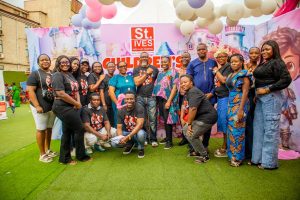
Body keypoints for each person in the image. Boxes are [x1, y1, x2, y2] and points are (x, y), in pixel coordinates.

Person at [251, 40, 292, 169]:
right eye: (263, 50)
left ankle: (269, 163)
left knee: (270, 131)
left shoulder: (278, 62)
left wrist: (268, 89)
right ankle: (257, 159)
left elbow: (286, 79)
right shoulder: (264, 63)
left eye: (267, 49)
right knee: (258, 129)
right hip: (261, 98)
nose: (264, 52)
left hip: (272, 98)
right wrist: (257, 94)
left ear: (274, 49)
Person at [52, 55, 92, 165]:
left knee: (67, 131)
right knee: (79, 128)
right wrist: (76, 103)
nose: (65, 64)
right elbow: (60, 93)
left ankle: (64, 158)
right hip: (62, 107)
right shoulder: (57, 75)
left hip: (72, 106)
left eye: (67, 62)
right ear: (58, 64)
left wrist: (77, 103)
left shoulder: (69, 75)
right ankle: (81, 156)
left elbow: (76, 91)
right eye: (62, 62)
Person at [180, 74, 217, 163]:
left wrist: (189, 124)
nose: (183, 84)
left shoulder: (193, 91)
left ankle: (204, 156)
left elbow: (193, 109)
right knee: (185, 130)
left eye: (185, 82)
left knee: (191, 134)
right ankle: (198, 151)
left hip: (207, 117)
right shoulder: (189, 92)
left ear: (191, 82)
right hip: (202, 117)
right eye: (181, 83)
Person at [187, 43, 217, 151]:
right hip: (196, 98)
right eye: (199, 49)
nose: (201, 51)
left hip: (209, 97)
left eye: (203, 49)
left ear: (206, 50)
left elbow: (216, 80)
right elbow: (189, 81)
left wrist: (212, 93)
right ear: (197, 51)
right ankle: (193, 146)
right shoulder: (192, 64)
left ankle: (205, 145)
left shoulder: (213, 62)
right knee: (194, 121)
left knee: (207, 122)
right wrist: (196, 95)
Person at [27, 54, 56, 163]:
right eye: (42, 60)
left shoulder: (54, 74)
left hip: (52, 107)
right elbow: (30, 90)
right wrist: (37, 106)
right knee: (41, 129)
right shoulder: (35, 74)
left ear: (50, 61)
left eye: (47, 59)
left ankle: (47, 150)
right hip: (40, 107)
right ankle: (42, 154)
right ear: (38, 62)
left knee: (49, 129)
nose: (45, 61)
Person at [225, 54, 251, 167]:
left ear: (241, 62)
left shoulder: (244, 74)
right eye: (232, 62)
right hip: (231, 104)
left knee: (238, 130)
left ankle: (238, 158)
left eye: (236, 61)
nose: (233, 63)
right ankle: (232, 155)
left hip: (240, 104)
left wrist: (241, 110)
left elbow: (245, 92)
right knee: (231, 129)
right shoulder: (231, 74)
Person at [152, 56, 180, 149]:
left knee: (168, 120)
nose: (163, 63)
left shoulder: (174, 72)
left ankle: (169, 141)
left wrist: (169, 101)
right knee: (164, 118)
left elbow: (175, 88)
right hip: (160, 99)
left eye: (165, 62)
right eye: (162, 62)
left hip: (167, 99)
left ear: (169, 62)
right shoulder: (160, 73)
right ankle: (167, 137)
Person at [133, 52, 159, 147]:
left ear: (149, 58)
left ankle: (153, 139)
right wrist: (147, 73)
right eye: (142, 57)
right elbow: (137, 83)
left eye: (146, 57)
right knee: (142, 119)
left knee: (152, 119)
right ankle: (144, 138)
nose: (144, 58)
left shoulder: (155, 69)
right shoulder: (136, 69)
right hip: (140, 97)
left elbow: (158, 83)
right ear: (139, 59)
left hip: (152, 97)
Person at [212, 49, 232, 158]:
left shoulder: (228, 67)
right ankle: (226, 146)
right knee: (223, 122)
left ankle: (225, 147)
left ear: (227, 57)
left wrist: (216, 71)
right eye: (219, 57)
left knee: (225, 123)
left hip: (226, 98)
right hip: (220, 98)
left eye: (223, 56)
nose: (221, 58)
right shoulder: (222, 68)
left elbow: (224, 81)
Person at [115, 91, 146, 158]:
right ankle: (129, 144)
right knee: (114, 143)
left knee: (141, 134)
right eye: (127, 99)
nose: (129, 101)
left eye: (131, 99)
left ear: (135, 99)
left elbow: (140, 125)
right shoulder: (121, 110)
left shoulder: (139, 107)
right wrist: (121, 138)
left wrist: (128, 137)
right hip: (126, 132)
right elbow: (119, 127)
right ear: (124, 99)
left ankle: (141, 148)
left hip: (138, 132)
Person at [244, 47, 260, 160]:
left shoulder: (262, 67)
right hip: (248, 95)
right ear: (248, 54)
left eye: (256, 53)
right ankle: (248, 153)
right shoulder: (245, 66)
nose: (253, 55)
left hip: (260, 95)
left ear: (259, 54)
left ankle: (257, 152)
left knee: (258, 124)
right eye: (251, 53)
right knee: (249, 124)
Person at [108, 61, 136, 127]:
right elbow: (111, 92)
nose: (123, 67)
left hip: (130, 103)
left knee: (130, 119)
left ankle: (130, 135)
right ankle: (119, 135)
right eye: (120, 66)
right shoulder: (115, 78)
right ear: (117, 68)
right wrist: (117, 103)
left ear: (126, 67)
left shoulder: (131, 78)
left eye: (124, 66)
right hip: (119, 104)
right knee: (119, 119)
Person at [178, 51, 191, 146]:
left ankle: (190, 137)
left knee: (190, 116)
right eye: (183, 57)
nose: (184, 59)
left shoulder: (192, 69)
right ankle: (184, 137)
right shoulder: (178, 70)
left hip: (190, 96)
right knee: (182, 116)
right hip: (181, 96)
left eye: (187, 57)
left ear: (190, 59)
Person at [100, 62, 116, 127]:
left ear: (115, 68)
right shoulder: (104, 77)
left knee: (114, 120)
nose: (111, 68)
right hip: (107, 104)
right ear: (107, 68)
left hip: (115, 103)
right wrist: (104, 104)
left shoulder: (116, 77)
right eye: (109, 66)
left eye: (113, 66)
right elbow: (101, 91)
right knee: (107, 121)